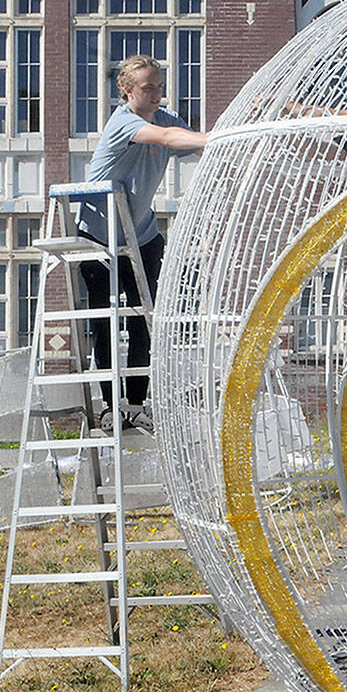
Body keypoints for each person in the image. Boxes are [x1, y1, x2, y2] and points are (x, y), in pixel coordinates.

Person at [78, 54, 207, 430]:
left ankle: (136, 403)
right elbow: (167, 139)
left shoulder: (165, 118)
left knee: (142, 321)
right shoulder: (123, 123)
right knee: (103, 321)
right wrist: (212, 138)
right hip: (99, 234)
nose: (156, 96)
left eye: (160, 88)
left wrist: (223, 143)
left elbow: (186, 140)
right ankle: (109, 405)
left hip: (142, 233)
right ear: (128, 90)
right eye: (149, 88)